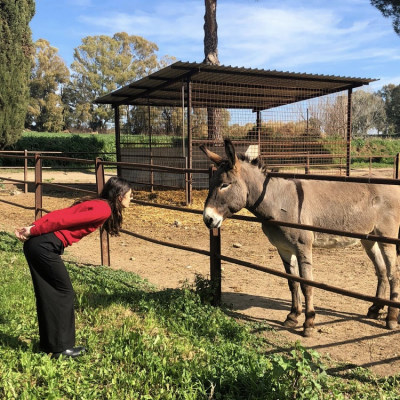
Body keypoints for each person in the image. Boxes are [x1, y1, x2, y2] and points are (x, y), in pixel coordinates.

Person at [15, 176, 132, 359]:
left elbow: (60, 214)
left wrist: (34, 226)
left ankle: (50, 346)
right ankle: (62, 348)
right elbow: (64, 221)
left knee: (49, 294)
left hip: (40, 245)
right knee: (64, 292)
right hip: (44, 246)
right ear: (120, 196)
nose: (131, 199)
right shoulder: (103, 210)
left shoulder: (98, 204)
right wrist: (33, 230)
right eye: (130, 196)